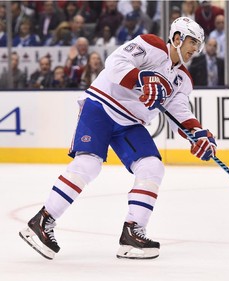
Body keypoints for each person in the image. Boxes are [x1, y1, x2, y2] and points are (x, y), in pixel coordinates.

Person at [19, 16, 216, 261]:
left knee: (152, 167)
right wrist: (143, 79)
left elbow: (180, 109)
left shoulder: (183, 79)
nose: (195, 49)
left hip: (131, 123)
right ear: (177, 38)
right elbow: (115, 62)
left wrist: (196, 133)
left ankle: (132, 232)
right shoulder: (151, 44)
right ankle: (42, 220)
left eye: (198, 44)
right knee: (88, 164)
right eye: (192, 42)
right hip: (101, 105)